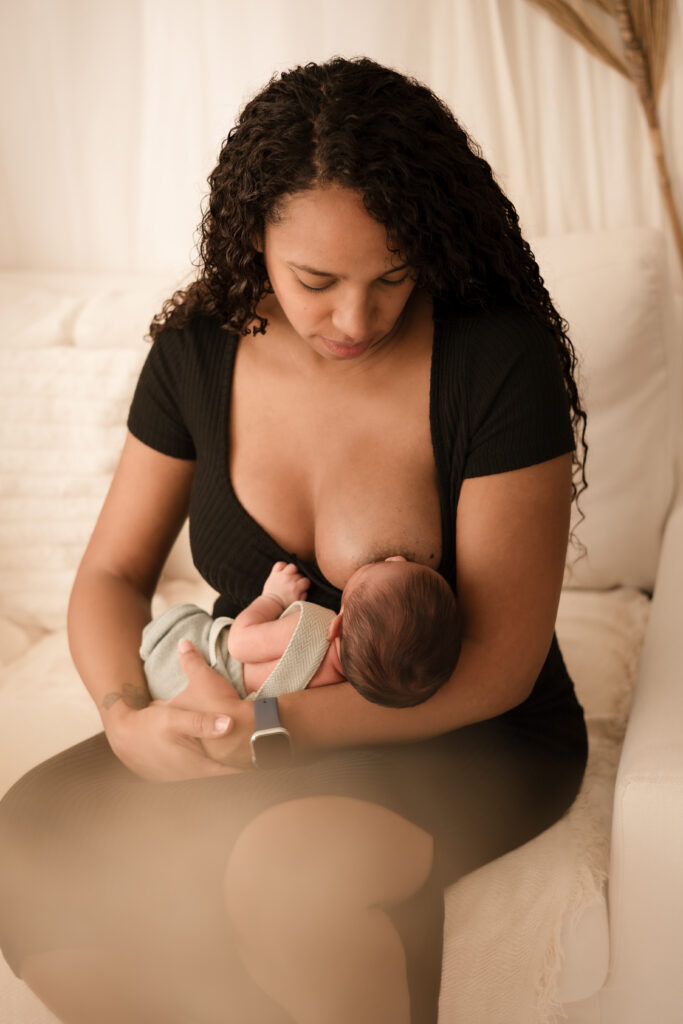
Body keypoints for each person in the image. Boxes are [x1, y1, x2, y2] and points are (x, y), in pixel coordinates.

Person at [0, 56, 589, 1024]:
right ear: (253, 243)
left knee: (291, 869)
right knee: (32, 830)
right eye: (315, 280)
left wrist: (266, 735)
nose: (355, 318)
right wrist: (125, 715)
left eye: (391, 277)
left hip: (459, 728)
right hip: (250, 702)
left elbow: (497, 665)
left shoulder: (492, 356)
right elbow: (110, 573)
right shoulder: (197, 350)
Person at [141, 557, 462, 727]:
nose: (397, 557)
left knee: (185, 615)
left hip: (180, 663)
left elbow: (240, 643)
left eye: (375, 568)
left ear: (337, 625)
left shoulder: (314, 626)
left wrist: (273, 597)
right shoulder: (341, 692)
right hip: (198, 713)